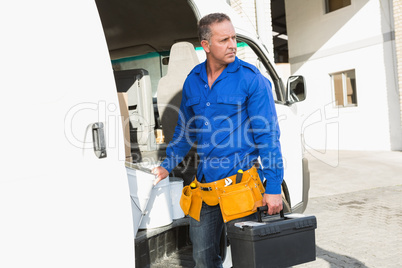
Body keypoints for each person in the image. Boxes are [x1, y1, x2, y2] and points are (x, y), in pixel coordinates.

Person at [152, 13, 284, 268]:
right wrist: (166, 166)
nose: (233, 44)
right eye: (224, 39)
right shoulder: (193, 80)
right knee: (203, 259)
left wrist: (274, 186)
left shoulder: (250, 78)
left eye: (234, 38)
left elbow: (268, 135)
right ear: (206, 45)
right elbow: (184, 132)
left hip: (240, 186)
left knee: (249, 260)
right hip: (205, 187)